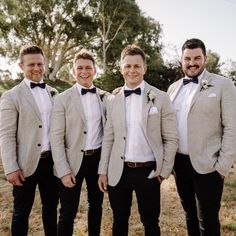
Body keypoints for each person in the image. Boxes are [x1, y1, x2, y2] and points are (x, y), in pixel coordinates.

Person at [98, 44, 178, 236]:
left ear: (145, 68)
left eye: (136, 66)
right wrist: (103, 170)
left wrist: (164, 171)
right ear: (121, 68)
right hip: (118, 171)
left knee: (151, 223)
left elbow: (171, 138)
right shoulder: (112, 99)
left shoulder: (160, 97)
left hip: (149, 172)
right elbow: (108, 137)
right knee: (119, 221)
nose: (132, 70)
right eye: (127, 66)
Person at [167, 38, 236, 236]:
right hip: (179, 164)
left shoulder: (223, 85)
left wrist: (222, 167)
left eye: (197, 58)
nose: (192, 63)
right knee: (190, 216)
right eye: (187, 58)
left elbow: (232, 127)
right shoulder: (173, 88)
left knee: (208, 221)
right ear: (181, 60)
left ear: (205, 58)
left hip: (209, 165)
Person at [0, 45, 59, 236]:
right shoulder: (11, 96)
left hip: (51, 163)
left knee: (51, 210)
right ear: (21, 66)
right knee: (21, 213)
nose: (36, 68)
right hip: (25, 164)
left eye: (40, 64)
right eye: (31, 64)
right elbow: (6, 134)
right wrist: (11, 167)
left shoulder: (54, 92)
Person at [50, 49, 108, 236]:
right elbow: (56, 138)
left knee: (96, 206)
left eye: (88, 68)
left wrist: (104, 167)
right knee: (68, 210)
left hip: (97, 159)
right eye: (80, 68)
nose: (84, 71)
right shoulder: (62, 99)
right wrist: (63, 170)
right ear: (73, 72)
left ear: (95, 70)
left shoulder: (105, 97)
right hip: (72, 160)